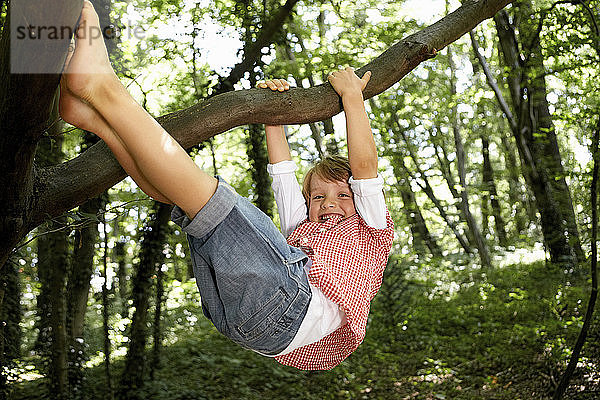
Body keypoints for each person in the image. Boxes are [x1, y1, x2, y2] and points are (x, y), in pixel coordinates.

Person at [60, 1, 394, 371]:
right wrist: (274, 114)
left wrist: (353, 97)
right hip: (258, 324)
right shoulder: (303, 230)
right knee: (185, 198)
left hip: (289, 308)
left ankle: (102, 87)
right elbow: (282, 171)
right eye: (319, 195)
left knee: (209, 198)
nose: (329, 203)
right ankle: (97, 121)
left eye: (343, 194)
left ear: (360, 201)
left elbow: (364, 167)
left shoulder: (371, 229)